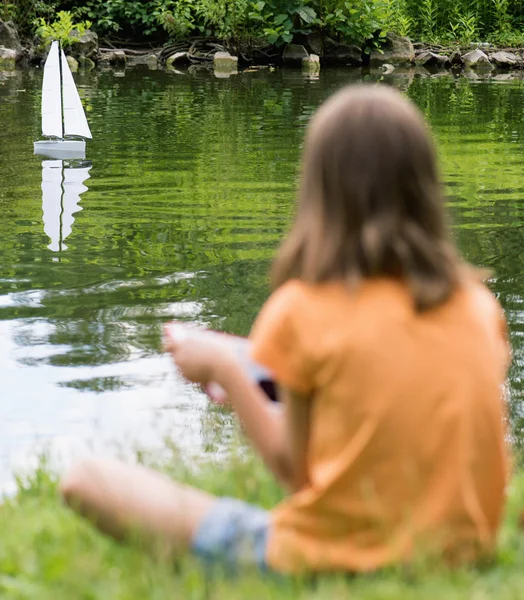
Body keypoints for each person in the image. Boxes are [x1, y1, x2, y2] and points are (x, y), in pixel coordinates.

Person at [60, 84, 511, 575]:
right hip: (460, 555)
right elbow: (380, 385)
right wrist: (258, 360)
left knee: (86, 479)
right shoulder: (477, 308)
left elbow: (295, 470)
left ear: (319, 191)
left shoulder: (300, 309)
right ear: (424, 186)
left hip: (328, 559)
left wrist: (227, 371)